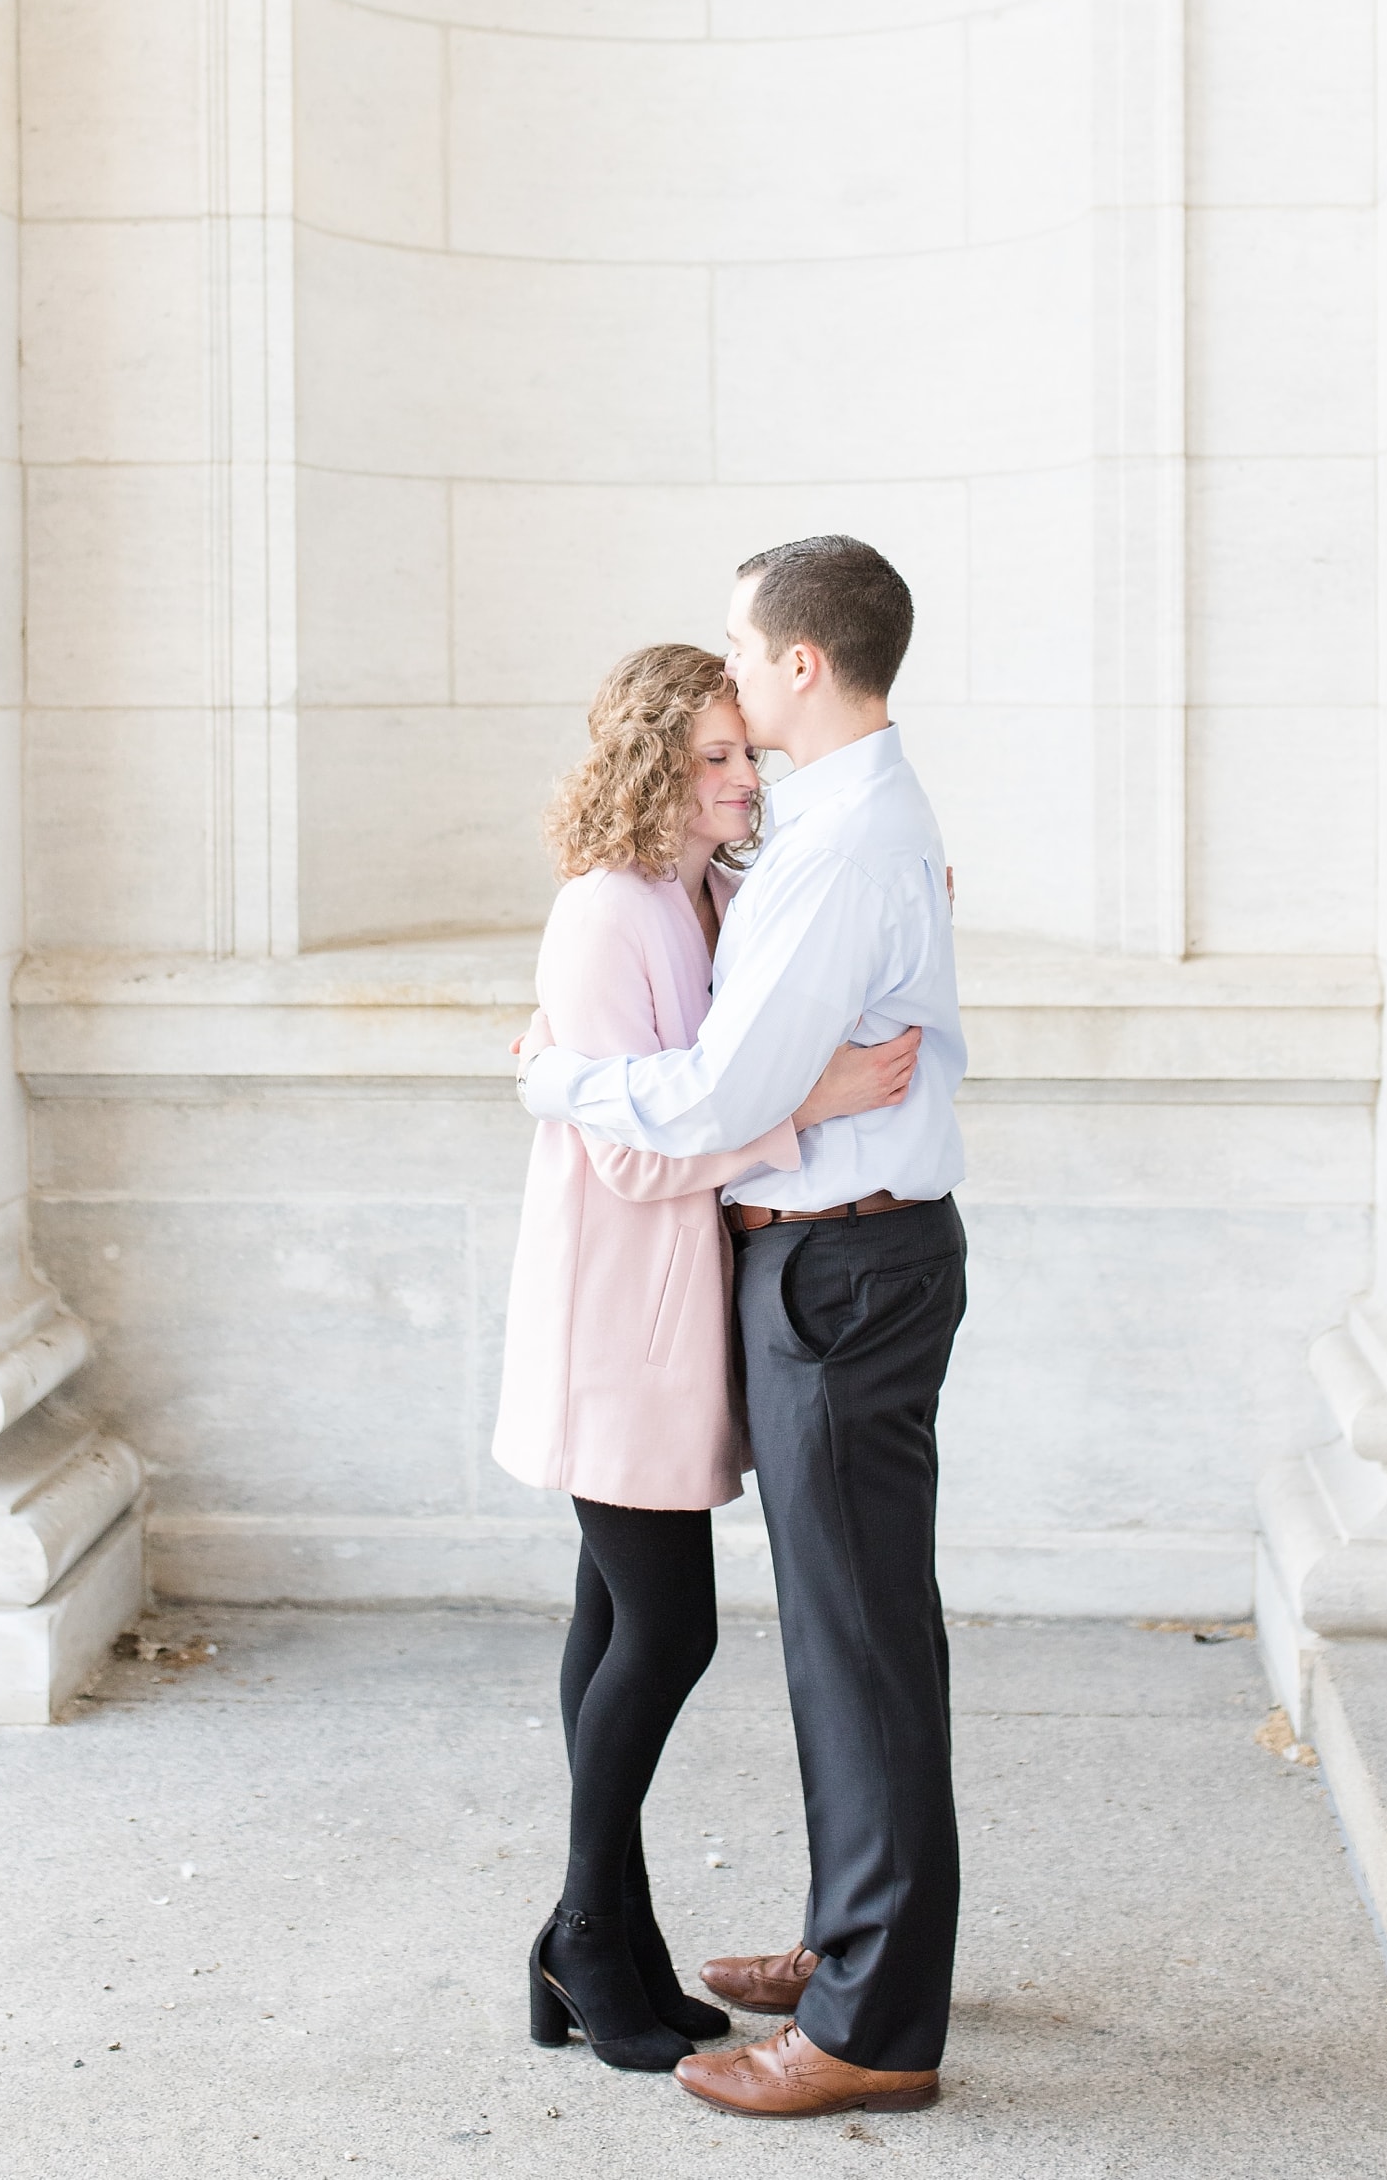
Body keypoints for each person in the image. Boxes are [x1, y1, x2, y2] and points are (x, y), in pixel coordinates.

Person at [517, 536, 968, 2122]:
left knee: (855, 1645)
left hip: (840, 1268)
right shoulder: (818, 839)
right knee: (853, 1639)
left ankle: (872, 2017)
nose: (731, 746)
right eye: (699, 749)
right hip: (800, 1265)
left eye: (739, 660)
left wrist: (556, 1080)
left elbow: (706, 1094)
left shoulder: (835, 847)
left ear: (797, 666)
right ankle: (852, 1950)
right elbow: (731, 1058)